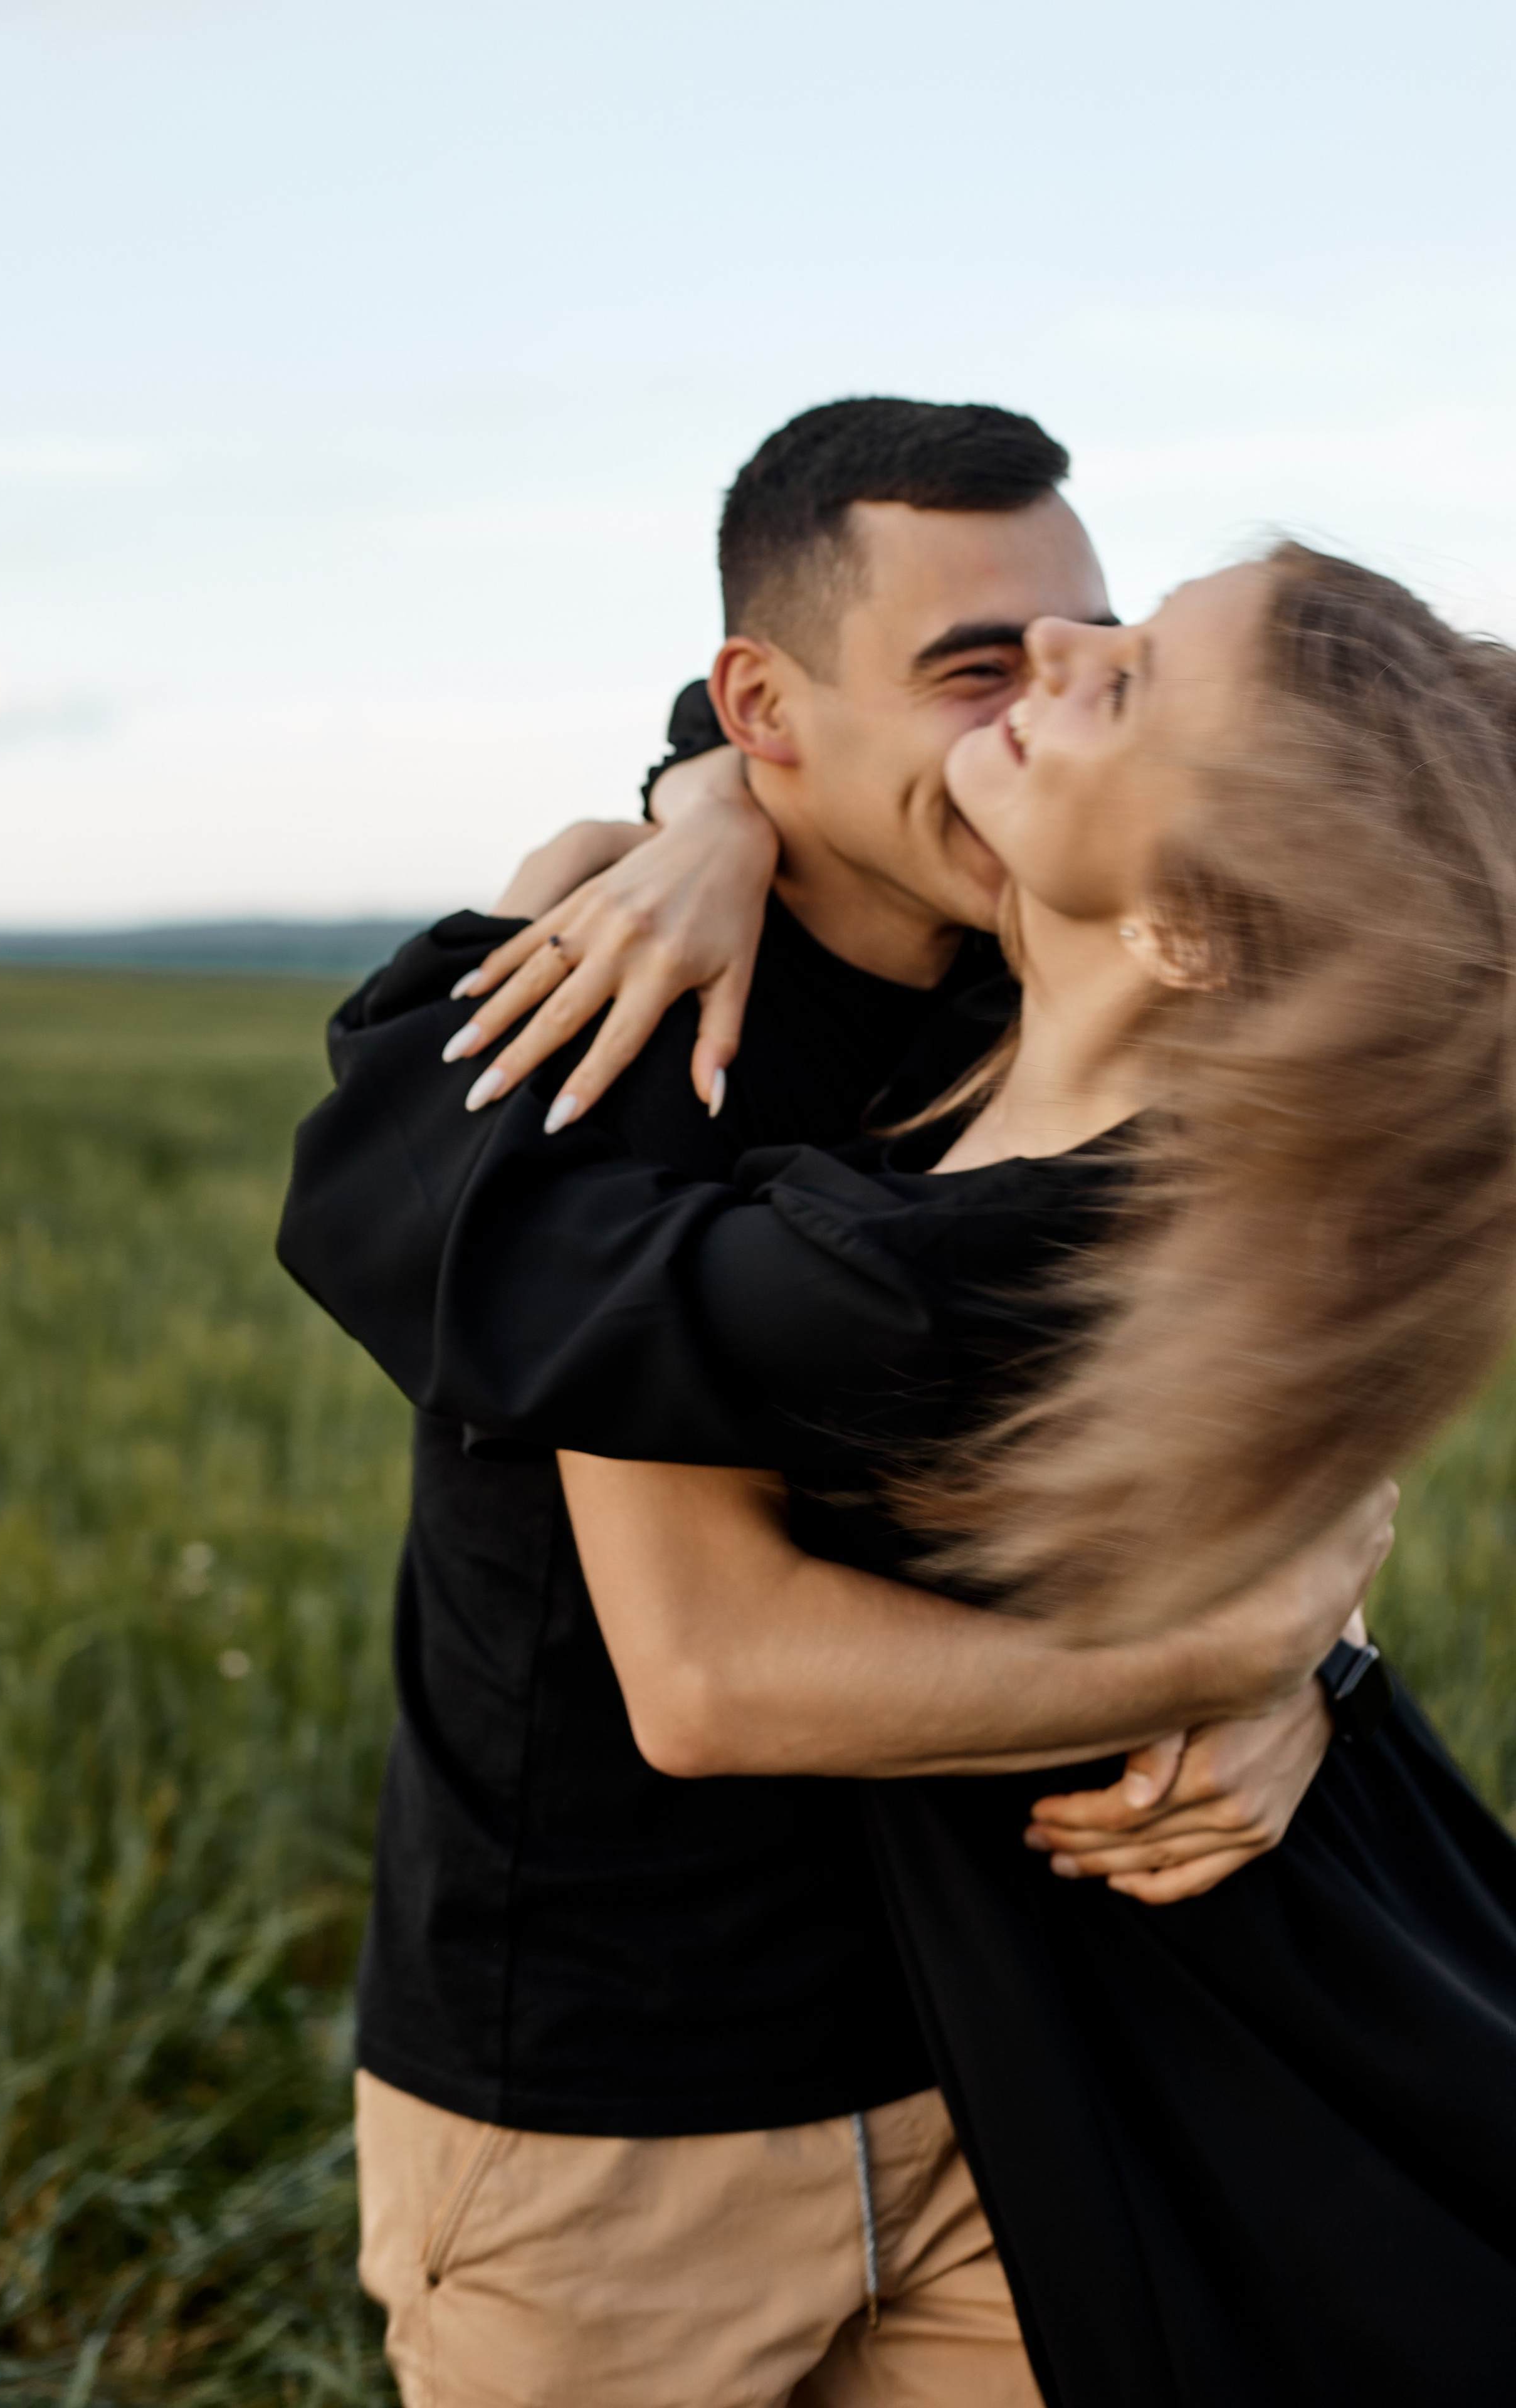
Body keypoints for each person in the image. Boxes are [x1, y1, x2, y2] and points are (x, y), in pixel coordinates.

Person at [307, 543, 1516, 2406]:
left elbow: (444, 1224)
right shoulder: (1060, 1103)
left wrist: (552, 902)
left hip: (1157, 2054)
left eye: (1121, 677)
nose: (1056, 650)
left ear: (1193, 927)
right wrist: (700, 800)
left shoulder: (929, 1263)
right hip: (777, 2071)